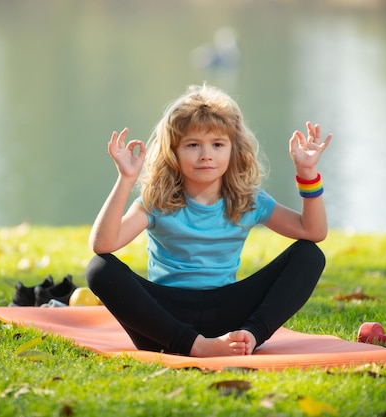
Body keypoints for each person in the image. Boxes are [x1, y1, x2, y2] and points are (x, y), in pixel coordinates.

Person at [86, 84, 332, 357]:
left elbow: (313, 231)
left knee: (309, 255)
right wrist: (126, 179)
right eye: (193, 145)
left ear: (233, 149)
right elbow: (103, 245)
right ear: (174, 152)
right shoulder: (157, 201)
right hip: (164, 324)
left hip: (230, 317)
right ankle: (195, 346)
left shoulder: (249, 200)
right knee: (99, 268)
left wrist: (307, 173)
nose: (206, 155)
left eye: (217, 144)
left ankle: (249, 337)